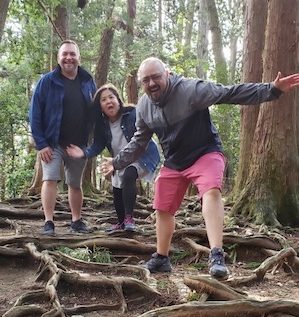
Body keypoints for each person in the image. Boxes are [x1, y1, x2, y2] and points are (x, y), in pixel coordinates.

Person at [100, 57, 299, 279]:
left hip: (205, 152)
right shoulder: (145, 107)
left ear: (168, 73)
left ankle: (216, 255)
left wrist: (271, 90)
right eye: (146, 80)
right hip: (175, 160)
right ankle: (162, 258)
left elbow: (229, 93)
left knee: (211, 192)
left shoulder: (191, 90)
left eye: (156, 77)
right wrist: (116, 162)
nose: (152, 83)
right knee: (162, 207)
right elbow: (139, 142)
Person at [66, 83, 160, 232]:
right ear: (100, 106)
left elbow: (145, 134)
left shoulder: (133, 114)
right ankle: (121, 222)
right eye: (103, 100)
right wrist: (84, 153)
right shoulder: (102, 125)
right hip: (119, 159)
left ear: (118, 99)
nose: (108, 101)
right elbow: (98, 145)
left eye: (111, 97)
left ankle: (129, 219)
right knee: (117, 187)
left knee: (129, 174)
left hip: (143, 155)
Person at [29, 40, 97, 236]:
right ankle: (48, 222)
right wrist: (41, 144)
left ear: (78, 58)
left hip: (78, 145)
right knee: (50, 179)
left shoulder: (87, 81)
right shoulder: (47, 81)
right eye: (65, 54)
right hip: (52, 142)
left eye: (72, 54)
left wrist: (88, 145)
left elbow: (94, 112)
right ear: (59, 58)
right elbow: (34, 114)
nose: (69, 57)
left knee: (75, 183)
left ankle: (76, 220)